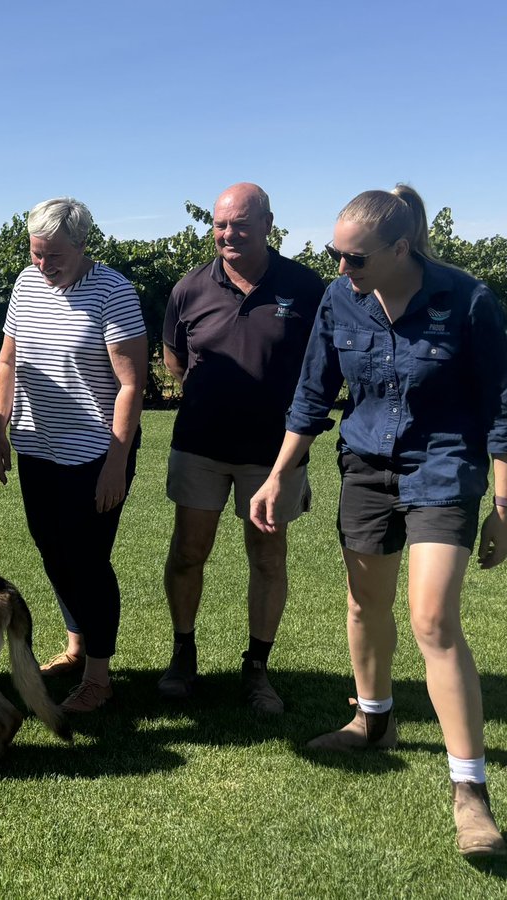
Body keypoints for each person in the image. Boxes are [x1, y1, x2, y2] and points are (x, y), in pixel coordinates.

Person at [250, 185, 507, 859]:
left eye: (355, 258)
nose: (341, 270)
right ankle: (374, 722)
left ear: (401, 248)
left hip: (444, 467)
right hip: (366, 465)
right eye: (336, 255)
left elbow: (503, 409)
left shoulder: (468, 299)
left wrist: (504, 509)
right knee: (365, 606)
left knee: (431, 619)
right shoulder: (342, 300)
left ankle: (470, 791)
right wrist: (280, 473)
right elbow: (313, 391)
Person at [159, 183, 326, 713]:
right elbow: (174, 360)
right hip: (200, 444)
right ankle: (183, 653)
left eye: (240, 225)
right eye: (220, 225)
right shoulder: (189, 288)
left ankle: (257, 669)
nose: (228, 235)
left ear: (269, 224)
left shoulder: (305, 287)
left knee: (268, 559)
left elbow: (322, 371)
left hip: (274, 455)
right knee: (188, 553)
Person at [0, 198, 148, 713]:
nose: (44, 265)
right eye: (36, 254)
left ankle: (100, 677)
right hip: (38, 446)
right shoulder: (25, 283)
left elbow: (131, 384)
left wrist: (115, 463)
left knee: (87, 561)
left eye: (54, 255)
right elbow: (10, 357)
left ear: (83, 245)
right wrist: (0, 425)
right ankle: (77, 646)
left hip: (95, 454)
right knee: (51, 549)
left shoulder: (114, 292)